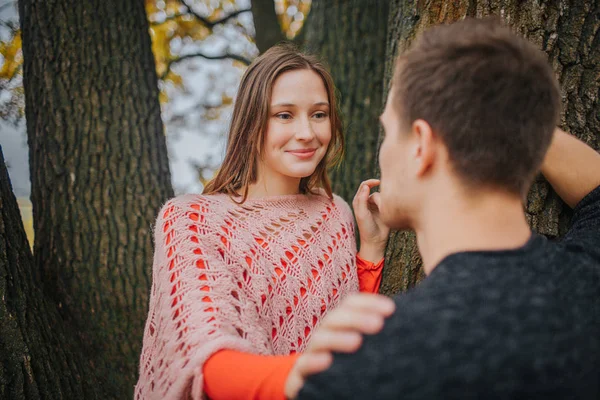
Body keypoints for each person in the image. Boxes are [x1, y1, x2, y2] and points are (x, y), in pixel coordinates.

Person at [290, 17, 600, 399]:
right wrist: (509, 121)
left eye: (389, 131)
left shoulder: (364, 368)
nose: (384, 150)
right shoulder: (590, 274)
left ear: (420, 145)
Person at [134, 43, 391, 400]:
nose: (306, 132)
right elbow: (209, 360)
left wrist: (372, 249)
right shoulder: (190, 220)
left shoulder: (336, 212)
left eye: (319, 114)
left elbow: (352, 330)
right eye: (284, 115)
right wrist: (320, 378)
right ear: (252, 122)